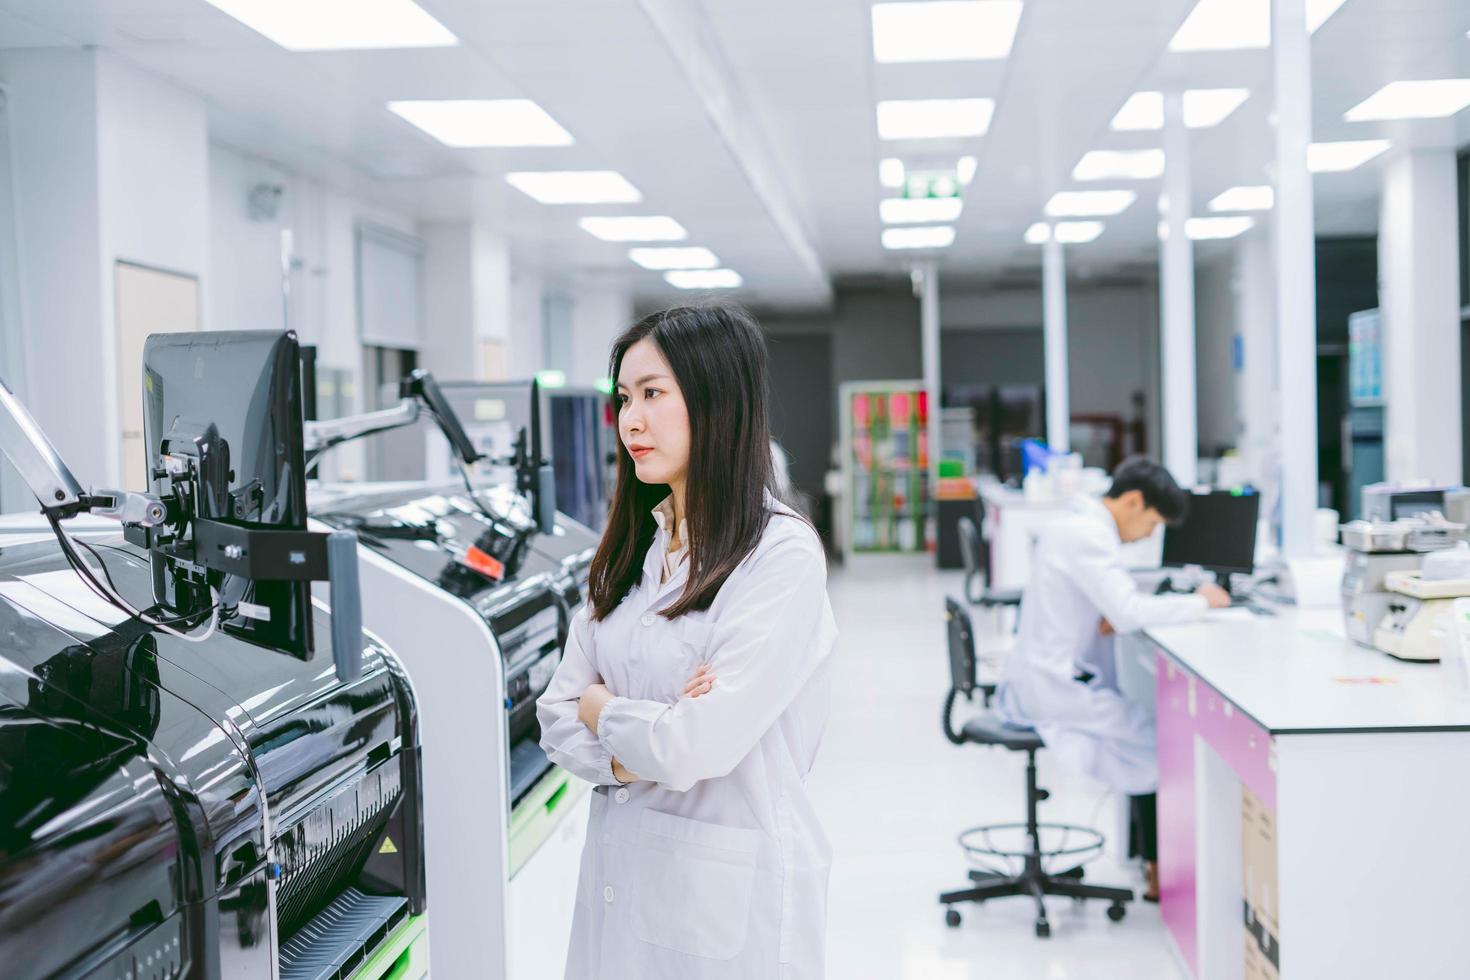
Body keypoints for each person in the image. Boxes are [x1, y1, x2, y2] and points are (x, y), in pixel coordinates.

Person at [536, 304, 838, 979]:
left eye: (652, 394)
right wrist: (638, 739)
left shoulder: (778, 556)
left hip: (730, 901)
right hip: (623, 877)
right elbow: (554, 718)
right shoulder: (636, 548)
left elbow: (692, 746)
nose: (629, 420)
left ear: (716, 400)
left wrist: (602, 710)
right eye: (623, 398)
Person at [994, 457, 1229, 900]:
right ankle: (1173, 877)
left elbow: (1106, 605)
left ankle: (1156, 864)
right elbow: (1129, 611)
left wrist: (1104, 613)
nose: (1149, 535)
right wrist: (1200, 602)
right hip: (1052, 689)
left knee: (1152, 740)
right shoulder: (1088, 535)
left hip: (1047, 678)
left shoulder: (1077, 527)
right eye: (1153, 523)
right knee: (1167, 749)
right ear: (1133, 501)